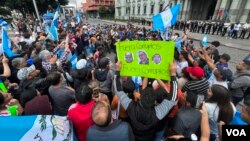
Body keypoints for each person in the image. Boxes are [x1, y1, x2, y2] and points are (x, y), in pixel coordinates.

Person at [114, 61, 178, 141]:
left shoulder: (131, 106)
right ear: (154, 102)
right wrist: (173, 74)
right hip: (149, 137)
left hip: (134, 136)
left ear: (140, 97)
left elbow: (118, 90)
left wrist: (117, 71)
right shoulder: (157, 113)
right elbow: (173, 98)